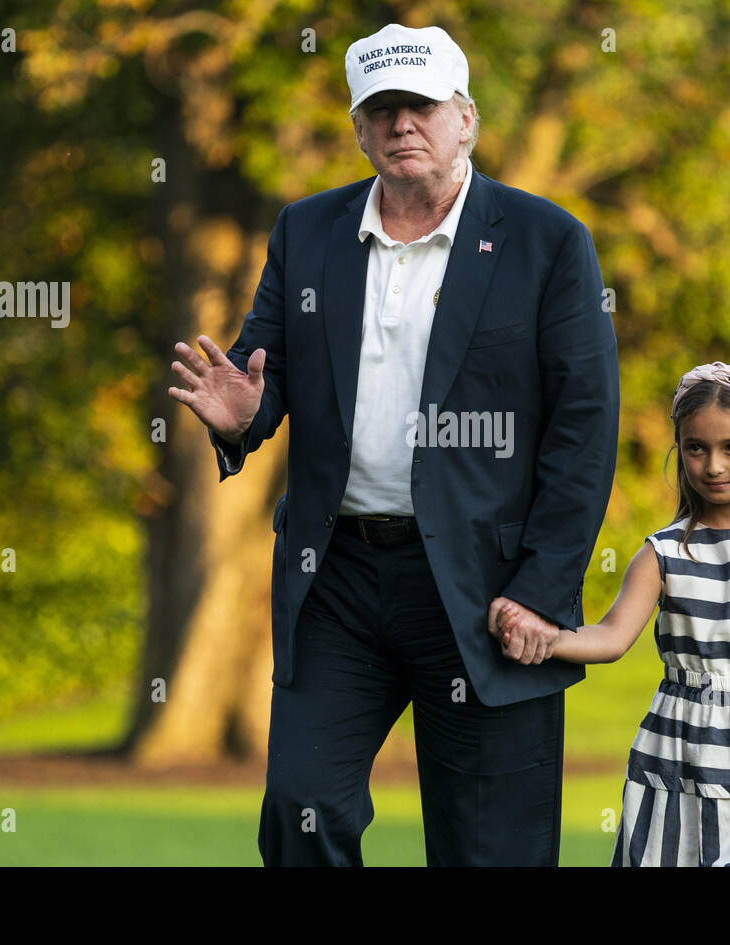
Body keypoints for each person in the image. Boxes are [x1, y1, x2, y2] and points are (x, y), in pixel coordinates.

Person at [167, 22, 619, 865]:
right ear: (359, 129)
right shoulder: (307, 231)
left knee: (492, 846)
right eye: (381, 109)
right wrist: (243, 420)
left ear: (467, 119)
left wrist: (543, 586)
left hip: (488, 589)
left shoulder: (548, 241)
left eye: (420, 105)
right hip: (337, 577)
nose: (401, 123)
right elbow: (268, 377)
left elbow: (584, 431)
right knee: (304, 809)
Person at [496, 362, 730, 866]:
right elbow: (611, 638)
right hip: (679, 767)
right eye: (695, 448)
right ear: (679, 450)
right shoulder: (664, 553)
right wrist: (544, 637)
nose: (713, 465)